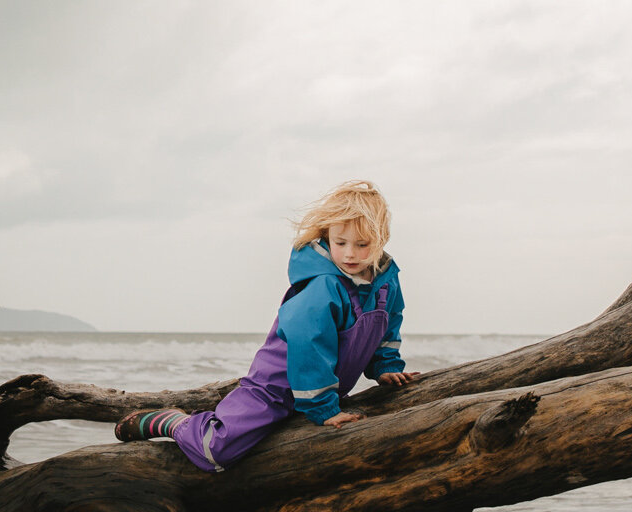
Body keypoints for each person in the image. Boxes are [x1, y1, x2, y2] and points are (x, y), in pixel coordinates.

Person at [115, 181, 419, 471]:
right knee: (216, 452)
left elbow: (389, 324)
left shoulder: (386, 282)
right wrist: (325, 409)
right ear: (327, 237)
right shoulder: (323, 287)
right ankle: (174, 422)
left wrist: (385, 366)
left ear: (381, 240)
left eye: (362, 244)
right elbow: (309, 348)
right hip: (275, 386)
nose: (350, 253)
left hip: (322, 389)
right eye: (340, 243)